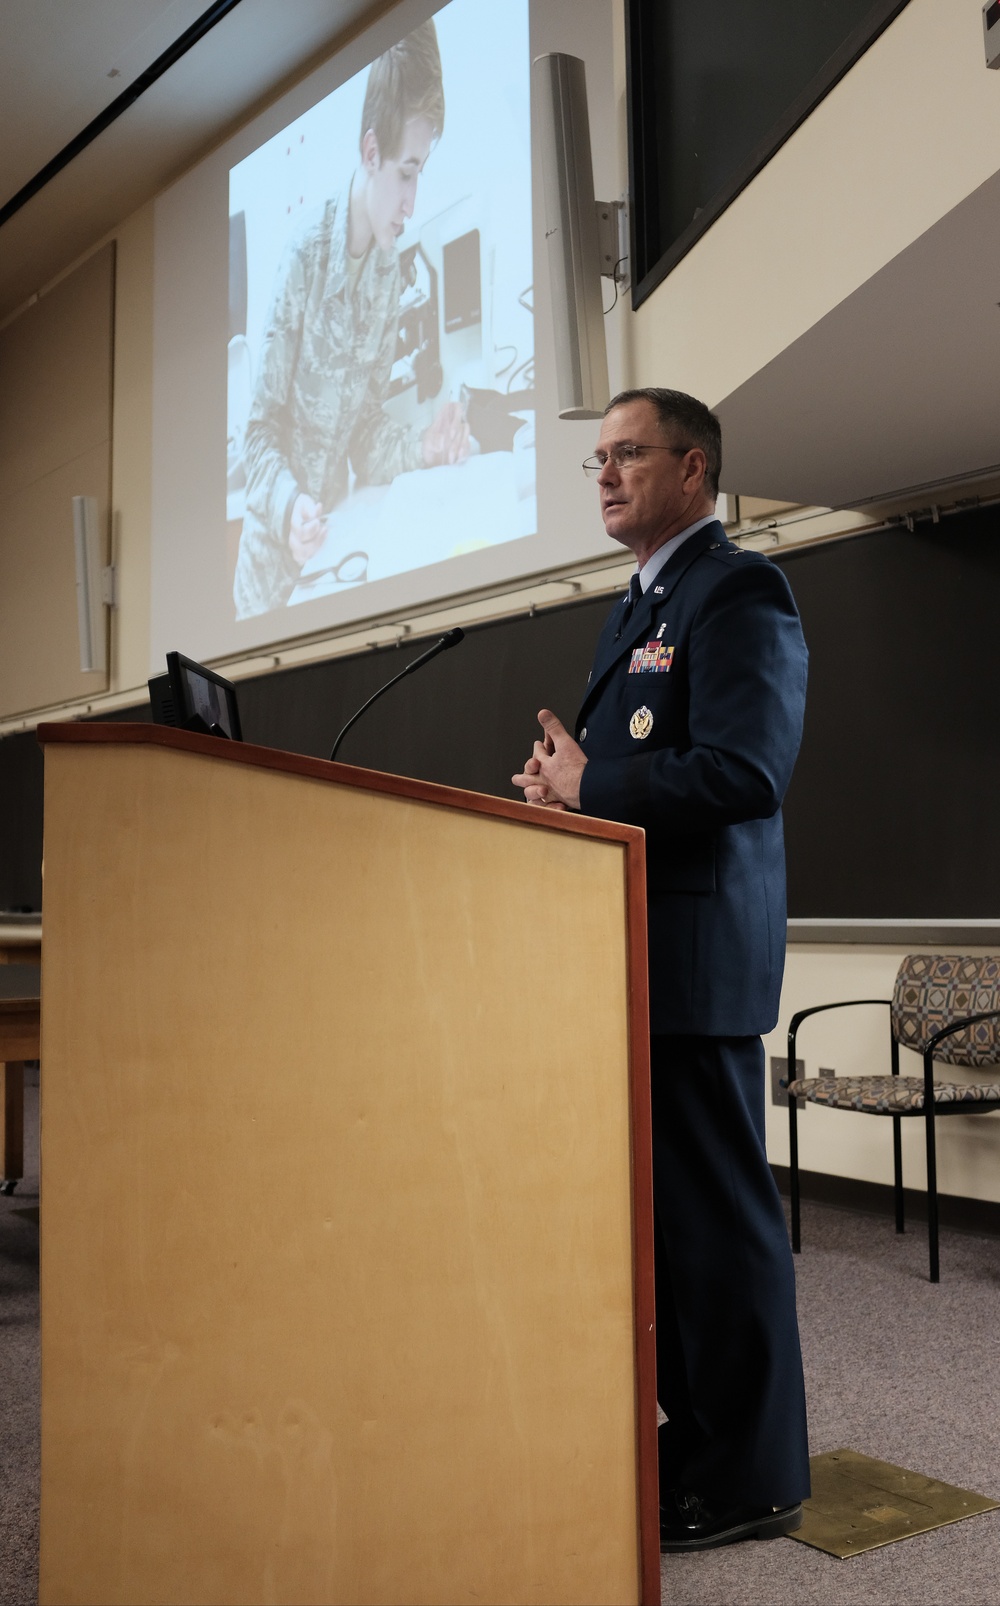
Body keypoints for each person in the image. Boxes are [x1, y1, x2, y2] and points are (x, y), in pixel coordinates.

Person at [512, 387, 810, 1553]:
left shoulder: (739, 589)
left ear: (693, 470)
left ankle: (751, 1479)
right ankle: (692, 1446)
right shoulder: (636, 604)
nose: (604, 475)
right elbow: (621, 767)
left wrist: (597, 787)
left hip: (695, 960)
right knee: (670, 1234)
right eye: (597, 459)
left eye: (627, 454)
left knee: (718, 1228)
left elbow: (745, 771)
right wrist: (562, 790)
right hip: (634, 962)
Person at [234, 19, 469, 620]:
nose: (412, 202)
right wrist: (290, 508)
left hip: (329, 560)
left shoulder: (389, 272)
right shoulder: (305, 256)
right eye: (407, 173)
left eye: (422, 173)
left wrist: (424, 449)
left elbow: (363, 429)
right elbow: (256, 437)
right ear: (371, 152)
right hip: (267, 580)